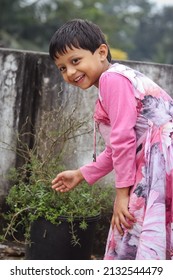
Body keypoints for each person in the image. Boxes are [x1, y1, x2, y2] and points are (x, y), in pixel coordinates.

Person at [49, 18, 173, 260]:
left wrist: (121, 194)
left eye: (75, 61)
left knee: (130, 223)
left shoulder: (111, 79)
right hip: (160, 162)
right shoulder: (116, 80)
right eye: (62, 68)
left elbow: (123, 139)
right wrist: (82, 173)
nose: (70, 72)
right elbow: (119, 147)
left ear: (102, 52)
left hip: (159, 164)